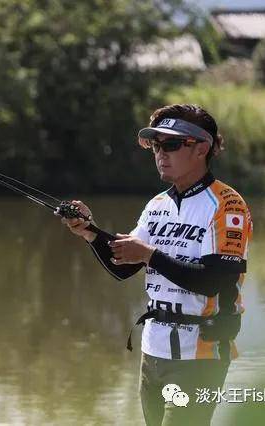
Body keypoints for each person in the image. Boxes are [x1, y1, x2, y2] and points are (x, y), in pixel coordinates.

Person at [60, 104, 253, 426]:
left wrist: (150, 255)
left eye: (172, 145)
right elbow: (124, 265)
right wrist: (89, 232)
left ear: (202, 148)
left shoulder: (227, 205)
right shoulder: (157, 205)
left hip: (200, 354)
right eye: (156, 145)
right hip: (153, 351)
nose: (160, 153)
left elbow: (214, 282)